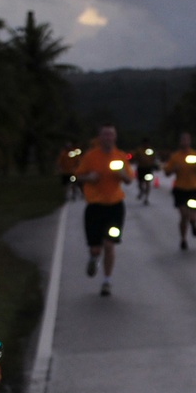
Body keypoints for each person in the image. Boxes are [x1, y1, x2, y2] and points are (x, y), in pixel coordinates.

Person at [75, 124, 132, 296]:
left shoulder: (120, 156)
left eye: (111, 135)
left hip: (115, 207)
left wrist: (121, 174)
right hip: (94, 207)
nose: (108, 138)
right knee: (96, 248)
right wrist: (88, 177)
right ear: (99, 138)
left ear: (115, 137)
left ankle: (107, 281)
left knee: (109, 244)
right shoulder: (90, 157)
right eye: (105, 135)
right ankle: (93, 257)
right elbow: (77, 176)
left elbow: (129, 180)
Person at [163, 132, 196, 250]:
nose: (185, 142)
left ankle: (194, 224)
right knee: (184, 215)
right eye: (183, 140)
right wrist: (173, 169)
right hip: (180, 190)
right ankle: (183, 239)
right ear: (180, 142)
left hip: (193, 189)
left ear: (190, 141)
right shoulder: (175, 156)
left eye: (187, 140)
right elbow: (166, 172)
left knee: (192, 216)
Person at [132, 138, 158, 204]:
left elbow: (154, 157)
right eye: (145, 143)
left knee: (148, 183)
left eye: (147, 143)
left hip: (148, 169)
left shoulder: (150, 150)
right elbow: (135, 157)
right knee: (140, 184)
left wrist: (154, 164)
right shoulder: (139, 150)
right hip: (141, 168)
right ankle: (142, 191)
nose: (146, 145)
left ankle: (146, 198)